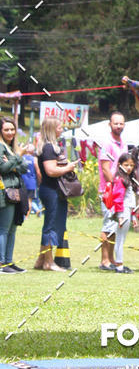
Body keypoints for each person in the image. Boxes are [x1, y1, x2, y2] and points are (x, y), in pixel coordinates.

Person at [34, 118, 78, 271]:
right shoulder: (48, 148)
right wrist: (69, 167)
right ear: (52, 129)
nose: (62, 129)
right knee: (51, 225)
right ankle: (49, 262)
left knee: (51, 224)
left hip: (51, 190)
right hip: (51, 191)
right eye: (59, 127)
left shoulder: (48, 147)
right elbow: (51, 171)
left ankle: (41, 260)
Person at [0, 116, 28, 273]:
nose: (10, 132)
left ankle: (8, 261)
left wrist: (13, 162)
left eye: (12, 129)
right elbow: (2, 169)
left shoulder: (11, 148)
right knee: (3, 228)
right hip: (5, 192)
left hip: (16, 191)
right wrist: (17, 157)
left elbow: (24, 168)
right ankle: (1, 262)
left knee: (12, 228)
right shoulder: (0, 147)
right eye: (6, 129)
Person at [98, 111, 126, 271]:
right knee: (108, 225)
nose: (119, 126)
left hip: (119, 191)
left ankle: (112, 258)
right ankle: (104, 260)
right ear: (110, 124)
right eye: (116, 123)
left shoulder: (122, 142)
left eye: (121, 123)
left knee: (114, 225)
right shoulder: (107, 142)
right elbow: (106, 168)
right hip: (108, 191)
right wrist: (114, 187)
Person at [110, 153, 137, 273]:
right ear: (120, 165)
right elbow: (118, 198)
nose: (129, 167)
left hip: (127, 211)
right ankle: (119, 265)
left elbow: (130, 199)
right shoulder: (120, 179)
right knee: (120, 239)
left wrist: (133, 216)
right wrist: (120, 216)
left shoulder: (127, 179)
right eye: (126, 165)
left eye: (131, 165)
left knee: (121, 239)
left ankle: (119, 264)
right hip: (123, 212)